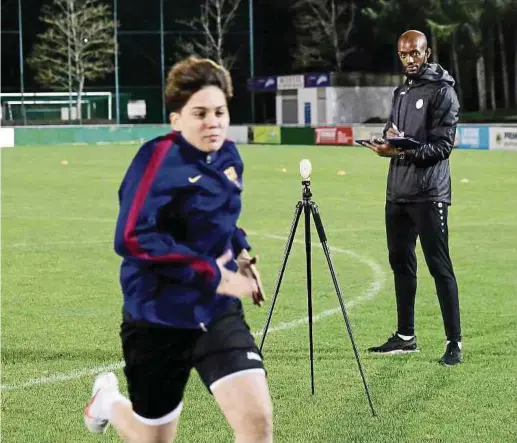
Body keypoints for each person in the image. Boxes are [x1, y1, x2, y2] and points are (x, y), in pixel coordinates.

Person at [83, 56, 273, 443]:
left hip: (216, 310)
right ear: (176, 119)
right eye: (200, 113)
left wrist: (240, 254)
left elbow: (224, 221)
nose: (213, 122)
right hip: (157, 315)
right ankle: (107, 400)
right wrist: (212, 273)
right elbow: (132, 237)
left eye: (219, 111)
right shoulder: (155, 161)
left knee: (257, 424)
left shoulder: (228, 157)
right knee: (153, 437)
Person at [364, 30, 463, 366]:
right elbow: (398, 136)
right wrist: (387, 146)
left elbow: (443, 147)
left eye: (415, 53)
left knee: (439, 266)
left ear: (427, 53)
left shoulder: (442, 91)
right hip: (399, 192)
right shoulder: (401, 90)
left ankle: (454, 342)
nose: (409, 59)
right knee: (400, 263)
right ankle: (406, 337)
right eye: (404, 54)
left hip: (429, 193)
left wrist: (405, 149)